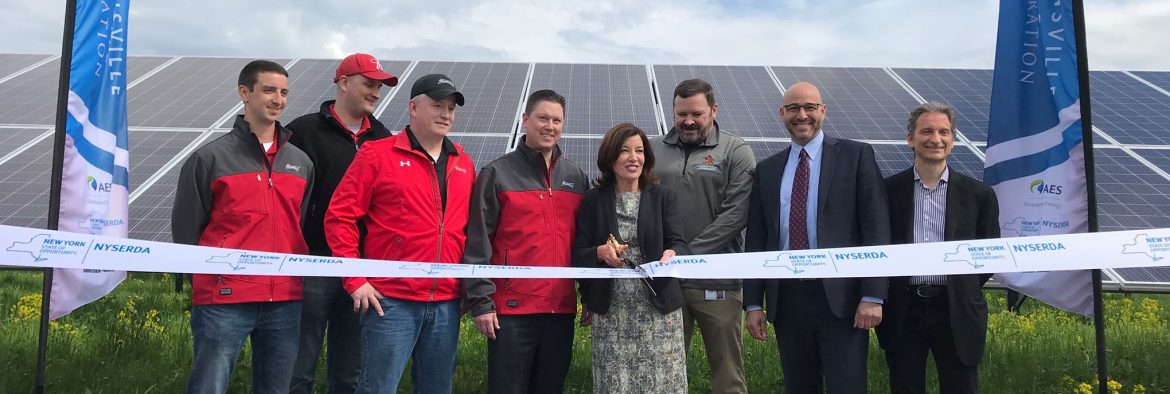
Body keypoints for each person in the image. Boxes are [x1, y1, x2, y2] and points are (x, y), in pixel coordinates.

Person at [324, 74, 475, 394]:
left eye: (451, 108)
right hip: (390, 301)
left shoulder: (464, 163)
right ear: (413, 107)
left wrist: (467, 287)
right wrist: (355, 279)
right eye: (437, 105)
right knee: (377, 388)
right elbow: (340, 218)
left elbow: (467, 231)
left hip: (446, 303)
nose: (446, 114)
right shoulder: (377, 154)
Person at [172, 60, 314, 394]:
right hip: (224, 298)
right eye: (268, 90)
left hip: (284, 299)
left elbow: (299, 224)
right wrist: (205, 280)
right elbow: (187, 228)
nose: (277, 99)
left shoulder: (301, 162)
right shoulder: (210, 158)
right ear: (244, 93)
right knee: (209, 387)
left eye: (283, 92)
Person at [744, 82, 891, 393]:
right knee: (799, 386)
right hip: (787, 300)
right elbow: (757, 239)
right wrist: (753, 303)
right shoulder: (767, 169)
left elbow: (876, 226)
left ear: (823, 111)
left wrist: (873, 294)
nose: (802, 115)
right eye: (794, 108)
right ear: (782, 114)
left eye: (810, 107)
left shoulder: (856, 156)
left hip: (843, 299)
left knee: (847, 387)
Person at [462, 89, 589, 393]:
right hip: (512, 311)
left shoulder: (576, 176)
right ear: (525, 120)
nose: (550, 126)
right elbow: (478, 242)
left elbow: (583, 243)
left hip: (560, 310)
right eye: (542, 118)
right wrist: (482, 302)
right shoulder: (497, 173)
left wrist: (590, 296)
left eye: (557, 120)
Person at [286, 53, 398, 394]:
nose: (376, 93)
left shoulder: (383, 138)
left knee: (349, 371)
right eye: (369, 84)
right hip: (313, 264)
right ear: (344, 83)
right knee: (297, 368)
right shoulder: (302, 131)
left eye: (379, 86)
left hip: (361, 270)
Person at [876, 102, 1000, 394]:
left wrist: (959, 286)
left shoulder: (979, 195)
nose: (936, 139)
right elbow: (878, 248)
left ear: (953, 140)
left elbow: (988, 256)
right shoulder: (887, 192)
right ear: (911, 139)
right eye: (927, 131)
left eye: (944, 132)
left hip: (957, 311)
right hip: (904, 311)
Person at [649, 78, 755, 393]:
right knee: (662, 370)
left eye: (696, 113)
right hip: (665, 280)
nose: (689, 121)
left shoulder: (736, 151)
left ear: (713, 110)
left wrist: (687, 253)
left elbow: (736, 215)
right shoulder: (652, 150)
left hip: (718, 279)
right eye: (681, 114)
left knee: (727, 373)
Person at [572, 123, 690, 394]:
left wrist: (673, 254)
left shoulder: (663, 197)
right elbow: (578, 253)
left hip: (658, 311)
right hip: (613, 311)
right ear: (610, 157)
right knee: (615, 384)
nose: (633, 157)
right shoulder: (593, 200)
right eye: (624, 151)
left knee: (663, 383)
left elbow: (679, 242)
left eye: (639, 150)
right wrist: (599, 252)